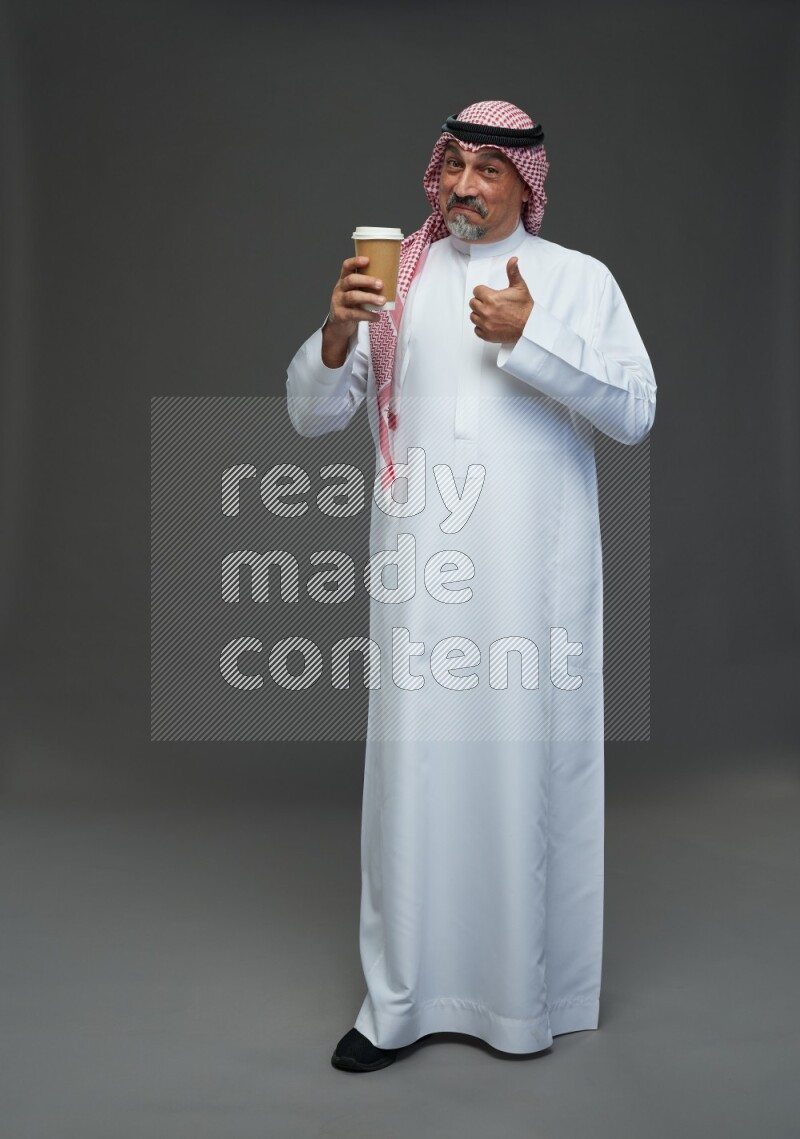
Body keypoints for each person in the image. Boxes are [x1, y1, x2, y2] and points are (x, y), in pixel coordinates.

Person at [286, 100, 656, 1072]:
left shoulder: (575, 280)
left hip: (532, 584)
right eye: (453, 163)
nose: (463, 184)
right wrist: (333, 329)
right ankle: (395, 1003)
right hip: (422, 581)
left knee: (520, 774)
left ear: (523, 182)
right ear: (433, 172)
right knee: (412, 780)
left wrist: (532, 336)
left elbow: (634, 410)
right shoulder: (392, 280)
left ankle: (522, 999)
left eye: (489, 168)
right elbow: (313, 415)